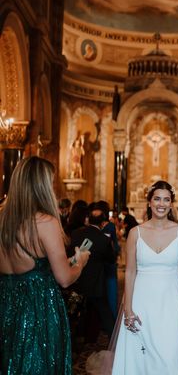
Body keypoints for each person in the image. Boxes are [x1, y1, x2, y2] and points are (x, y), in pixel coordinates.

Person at [0, 157, 90, 374]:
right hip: (37, 309)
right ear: (41, 185)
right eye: (50, 182)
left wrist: (65, 263)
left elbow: (31, 267)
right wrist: (80, 262)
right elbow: (64, 279)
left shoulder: (2, 219)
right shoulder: (45, 222)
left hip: (6, 304)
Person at [112, 180, 178, 374]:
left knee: (170, 354)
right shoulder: (135, 233)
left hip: (171, 302)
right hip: (141, 302)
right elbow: (129, 272)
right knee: (140, 358)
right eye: (157, 199)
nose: (161, 204)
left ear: (171, 204)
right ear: (149, 202)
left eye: (166, 200)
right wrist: (128, 308)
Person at [69, 205, 116, 343]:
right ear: (103, 223)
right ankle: (114, 340)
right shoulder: (104, 239)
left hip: (77, 279)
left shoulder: (76, 234)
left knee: (73, 312)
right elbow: (111, 259)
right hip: (96, 282)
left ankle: (71, 339)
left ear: (88, 220)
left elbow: (69, 255)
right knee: (104, 311)